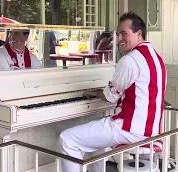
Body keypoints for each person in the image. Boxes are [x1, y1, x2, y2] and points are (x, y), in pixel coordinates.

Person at [58, 11, 167, 172]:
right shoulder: (157, 58)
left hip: (130, 129)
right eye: (118, 34)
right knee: (96, 139)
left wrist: (95, 92)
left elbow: (110, 96)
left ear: (139, 33)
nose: (119, 39)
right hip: (151, 129)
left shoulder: (130, 60)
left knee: (67, 139)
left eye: (124, 34)